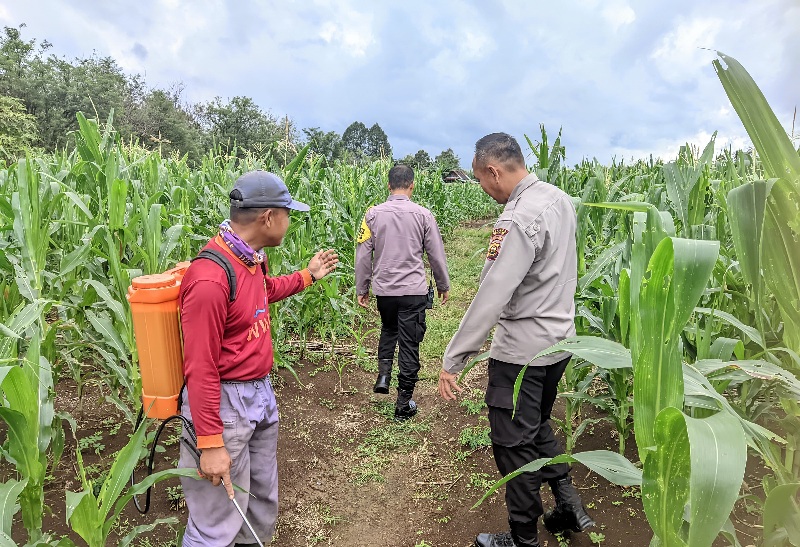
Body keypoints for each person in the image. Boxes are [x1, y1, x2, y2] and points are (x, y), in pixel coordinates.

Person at [437, 134, 594, 547]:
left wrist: (454, 358)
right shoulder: (559, 199)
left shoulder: (517, 217)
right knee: (537, 424)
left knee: (513, 447)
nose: (485, 191)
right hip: (558, 343)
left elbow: (493, 294)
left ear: (493, 171)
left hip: (522, 354)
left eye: (482, 181)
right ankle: (568, 503)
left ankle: (524, 539)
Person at [178, 170, 338, 546]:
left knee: (259, 504)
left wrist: (308, 276)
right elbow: (200, 368)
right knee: (216, 521)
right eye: (287, 212)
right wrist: (210, 441)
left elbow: (262, 294)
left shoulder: (250, 258)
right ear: (268, 217)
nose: (289, 220)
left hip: (259, 395)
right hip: (225, 403)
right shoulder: (209, 279)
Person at [356, 164, 450, 420]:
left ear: (389, 185)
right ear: (412, 185)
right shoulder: (423, 215)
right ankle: (403, 403)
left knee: (389, 329)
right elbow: (436, 256)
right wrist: (443, 285)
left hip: (384, 290)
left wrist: (362, 288)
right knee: (409, 343)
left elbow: (363, 255)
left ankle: (384, 376)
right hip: (413, 292)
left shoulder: (371, 215)